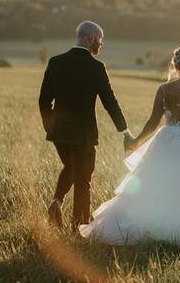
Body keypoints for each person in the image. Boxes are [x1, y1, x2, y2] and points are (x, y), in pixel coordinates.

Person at [78, 44, 180, 246]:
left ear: (175, 65)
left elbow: (153, 122)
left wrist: (135, 141)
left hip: (165, 141)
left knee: (155, 184)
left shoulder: (164, 89)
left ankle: (150, 226)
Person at [38, 21, 133, 231]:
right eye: (100, 40)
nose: (101, 44)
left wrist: (51, 127)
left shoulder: (56, 62)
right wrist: (125, 131)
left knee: (71, 167)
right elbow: (110, 102)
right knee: (83, 180)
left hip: (59, 134)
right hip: (83, 135)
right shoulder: (95, 67)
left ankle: (56, 203)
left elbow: (44, 101)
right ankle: (80, 228)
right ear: (90, 39)